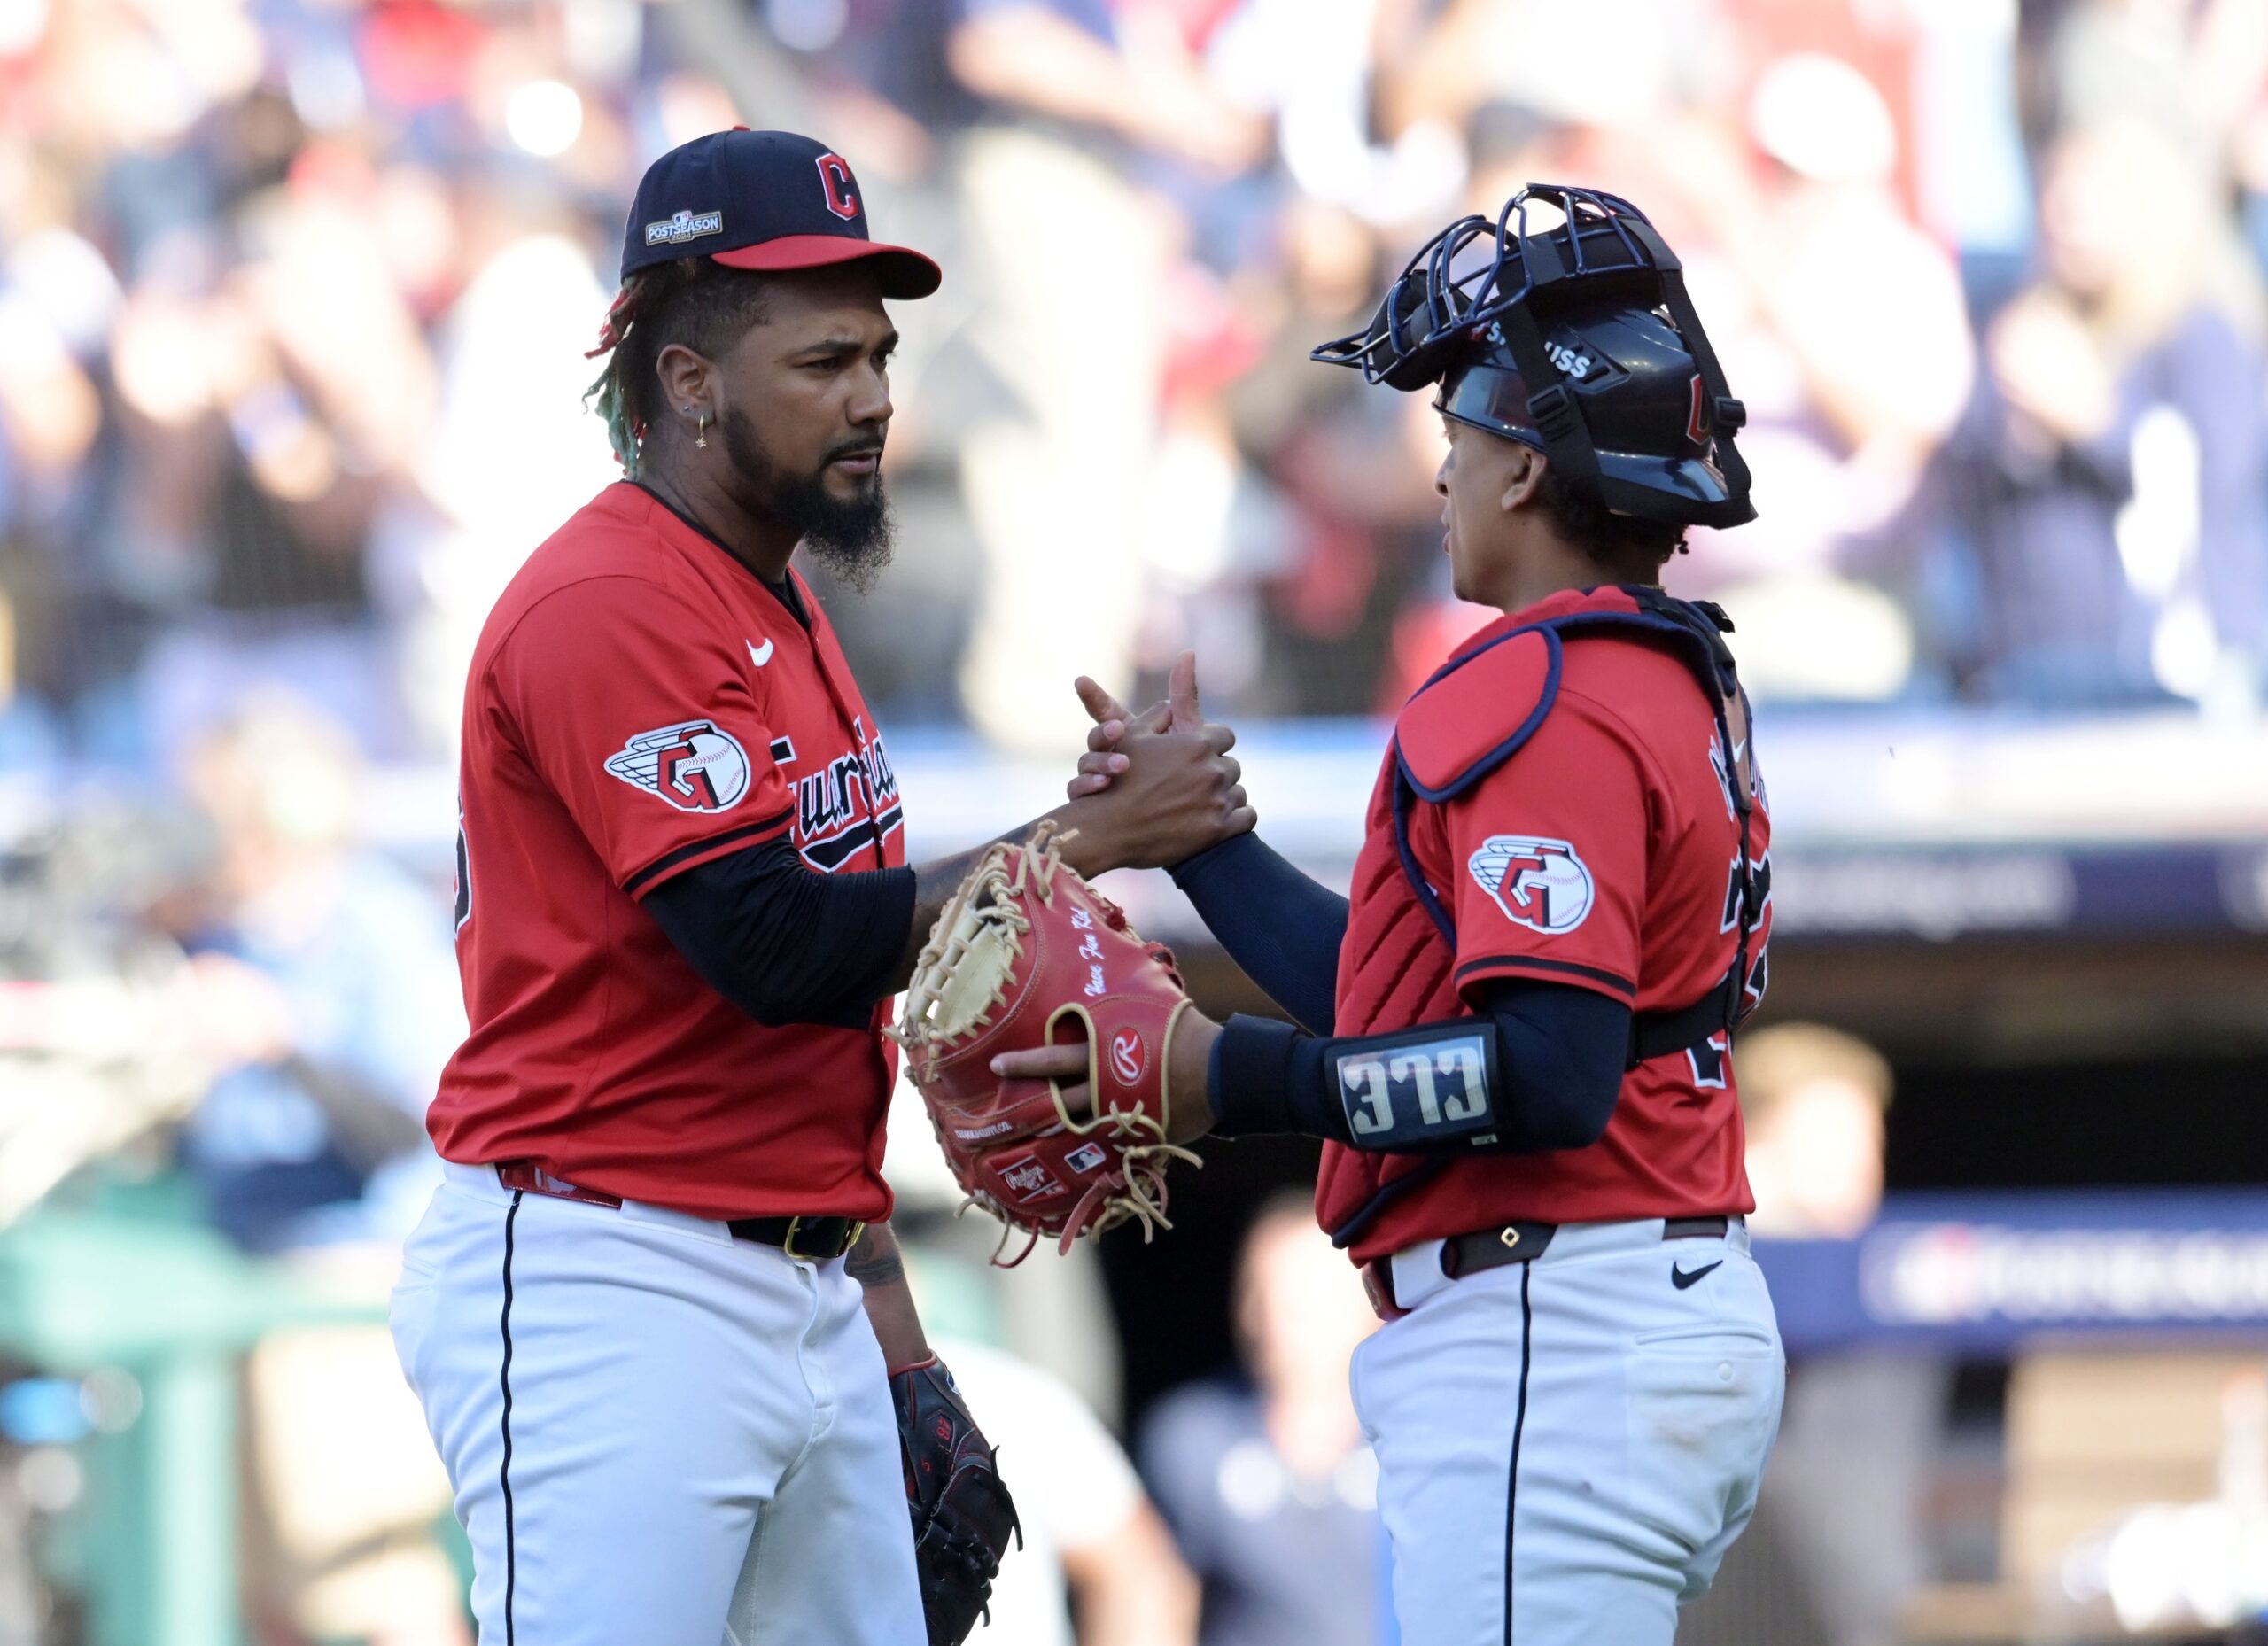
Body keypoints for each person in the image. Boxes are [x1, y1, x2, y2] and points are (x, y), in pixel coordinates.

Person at [386, 128, 1248, 1646]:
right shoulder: (615, 600)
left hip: (793, 1267)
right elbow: (774, 948)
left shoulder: (768, 595)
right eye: (823, 357)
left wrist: (899, 1346)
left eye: (880, 353)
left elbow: (796, 1051)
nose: (871, 396)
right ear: (689, 376)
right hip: (610, 1272)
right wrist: (1086, 836)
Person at [1013, 185, 1785, 1644]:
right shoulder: (1666, 665)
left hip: (1561, 1318)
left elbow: (1542, 1075)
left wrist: (1222, 1073)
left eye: (1457, 435)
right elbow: (1408, 995)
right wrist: (1209, 845)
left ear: (1524, 466)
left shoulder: (1536, 683)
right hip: (1630, 1297)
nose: (1438, 478)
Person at [1140, 1192, 1385, 1646]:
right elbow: (1153, 1607)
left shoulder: (1423, 1440)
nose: (1273, 1318)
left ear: (1372, 1302)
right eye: (1259, 1293)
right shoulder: (1195, 1436)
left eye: (1305, 1297)